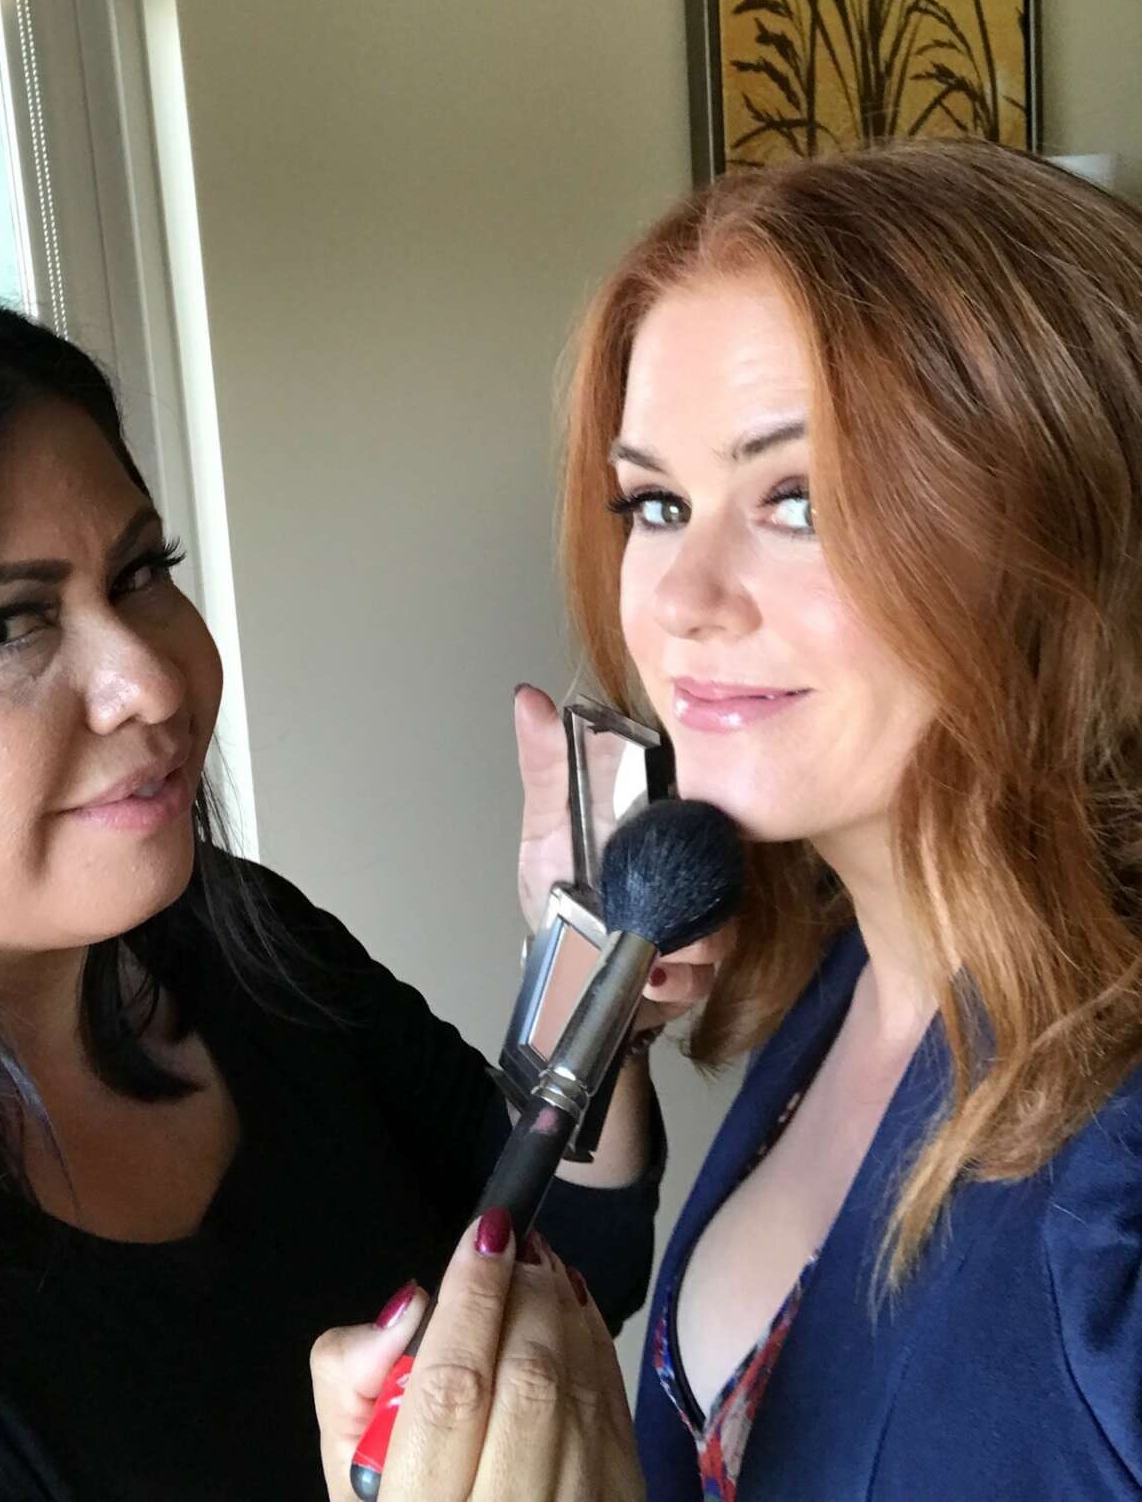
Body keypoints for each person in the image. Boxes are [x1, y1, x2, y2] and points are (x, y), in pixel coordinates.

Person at [0, 294, 668, 1502]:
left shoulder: (237, 943)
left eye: (139, 572)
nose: (150, 680)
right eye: (2, 628)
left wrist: (590, 971)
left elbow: (562, 1263)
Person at [314, 138, 1142, 1500]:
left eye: (796, 500)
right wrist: (589, 966)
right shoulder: (848, 963)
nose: (681, 598)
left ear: (1069, 523)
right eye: (655, 503)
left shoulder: (1114, 1177)